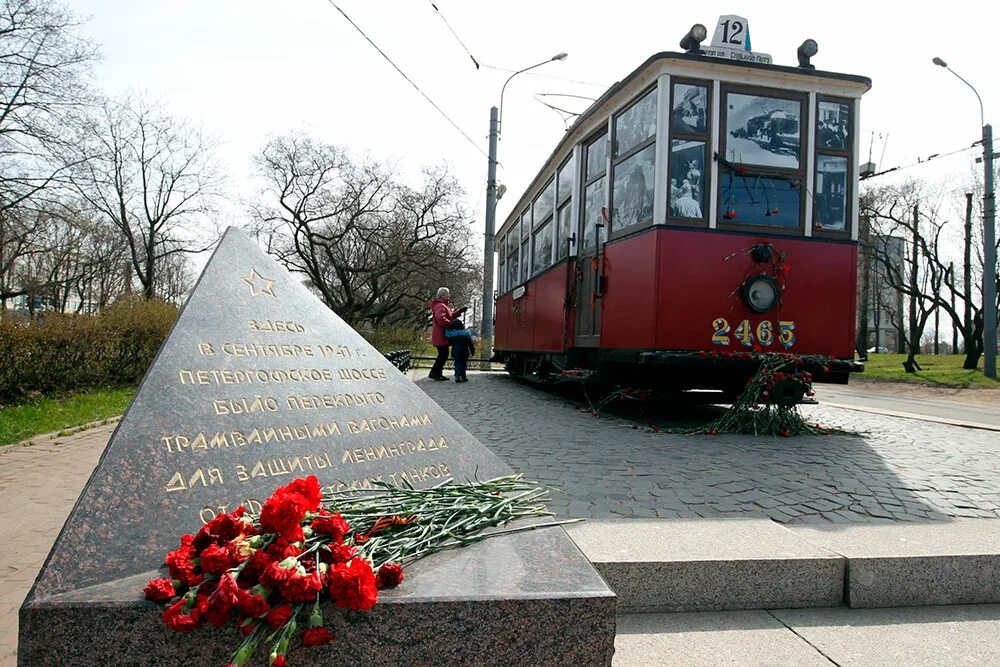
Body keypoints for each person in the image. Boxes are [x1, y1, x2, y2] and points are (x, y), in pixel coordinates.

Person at [427, 287, 465, 381]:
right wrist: (451, 325)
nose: (449, 295)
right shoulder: (440, 306)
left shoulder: (442, 305)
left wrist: (459, 312)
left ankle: (437, 373)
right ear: (443, 295)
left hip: (440, 334)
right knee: (443, 355)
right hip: (441, 334)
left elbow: (450, 316)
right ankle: (435, 373)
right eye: (447, 294)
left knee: (443, 355)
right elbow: (441, 319)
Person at [445, 318, 475, 383]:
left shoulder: (451, 333)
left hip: (455, 351)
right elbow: (470, 343)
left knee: (457, 363)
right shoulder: (466, 333)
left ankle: (457, 376)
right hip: (464, 351)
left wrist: (449, 326)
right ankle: (463, 376)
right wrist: (472, 351)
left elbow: (446, 334)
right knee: (463, 364)